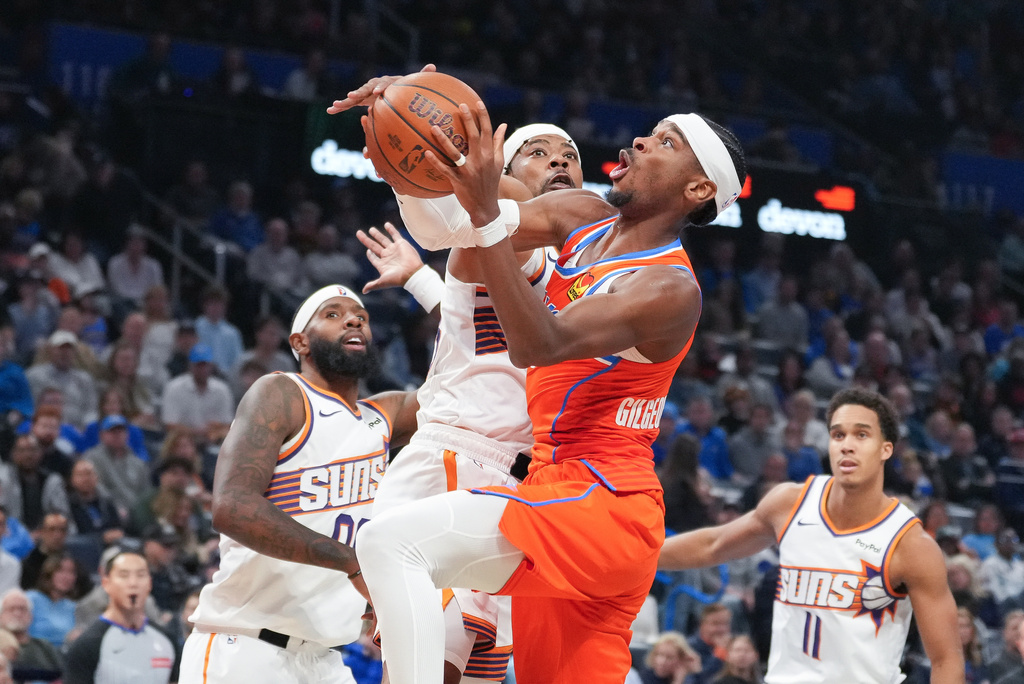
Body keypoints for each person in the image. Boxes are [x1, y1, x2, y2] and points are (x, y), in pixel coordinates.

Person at [333, 67, 745, 684]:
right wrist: (411, 160)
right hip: (554, 488)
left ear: (697, 189)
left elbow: (536, 343)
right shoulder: (583, 213)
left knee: (390, 545)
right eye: (650, 132)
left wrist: (484, 212)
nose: (637, 142)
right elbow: (451, 230)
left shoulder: (667, 286)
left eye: (665, 142)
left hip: (602, 502)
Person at [354, 120, 584, 683]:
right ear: (502, 173)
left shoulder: (571, 267)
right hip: (459, 465)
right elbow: (464, 222)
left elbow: (481, 330)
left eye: (570, 154)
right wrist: (410, 165)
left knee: (471, 671)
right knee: (427, 672)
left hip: (515, 488)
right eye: (537, 153)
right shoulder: (502, 231)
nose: (558, 161)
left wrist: (419, 281)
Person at [177, 285, 417, 684]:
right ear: (300, 342)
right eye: (333, 314)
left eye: (361, 316)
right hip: (245, 648)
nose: (355, 320)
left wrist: (421, 280)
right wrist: (350, 561)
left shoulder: (382, 417)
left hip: (325, 660)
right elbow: (230, 506)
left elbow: (463, 380)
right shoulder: (282, 393)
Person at [659, 387, 962, 683]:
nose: (847, 445)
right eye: (838, 434)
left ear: (886, 449)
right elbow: (713, 544)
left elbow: (946, 659)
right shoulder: (789, 504)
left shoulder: (910, 544)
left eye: (861, 435)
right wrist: (633, 557)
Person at [64, 548, 177, 684]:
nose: (133, 583)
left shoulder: (168, 641)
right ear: (106, 583)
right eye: (124, 575)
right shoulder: (86, 646)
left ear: (150, 583)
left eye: (140, 575)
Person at [0, 588, 63, 682]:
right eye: (11, 609)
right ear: (0, 616)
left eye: (22, 609)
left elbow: (61, 676)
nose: (17, 613)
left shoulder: (44, 646)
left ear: (31, 616)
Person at [638, 631, 702, 684]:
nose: (662, 662)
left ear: (680, 659)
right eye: (658, 654)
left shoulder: (687, 676)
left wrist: (696, 670)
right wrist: (678, 681)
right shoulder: (647, 675)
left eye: (669, 657)